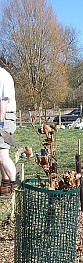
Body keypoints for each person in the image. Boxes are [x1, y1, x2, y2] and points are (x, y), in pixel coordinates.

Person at [0, 61, 17, 197]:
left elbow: (3, 101)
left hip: (4, 118)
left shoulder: (2, 75)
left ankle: (14, 186)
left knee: (3, 156)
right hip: (4, 117)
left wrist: (0, 123)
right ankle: (5, 186)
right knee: (1, 154)